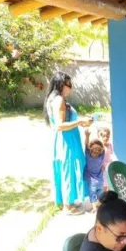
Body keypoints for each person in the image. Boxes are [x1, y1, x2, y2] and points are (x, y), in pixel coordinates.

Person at [44, 71, 92, 215]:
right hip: (67, 141)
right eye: (68, 85)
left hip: (62, 139)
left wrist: (79, 122)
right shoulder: (59, 100)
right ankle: (68, 205)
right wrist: (80, 121)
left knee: (66, 168)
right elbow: (60, 125)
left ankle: (68, 201)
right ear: (61, 85)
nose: (70, 88)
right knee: (69, 169)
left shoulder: (52, 99)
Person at [83, 129, 105, 211]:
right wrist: (87, 136)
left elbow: (102, 146)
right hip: (95, 179)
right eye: (94, 149)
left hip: (97, 179)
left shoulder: (99, 155)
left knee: (97, 193)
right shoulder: (91, 155)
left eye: (98, 150)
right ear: (90, 149)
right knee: (95, 193)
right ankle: (95, 207)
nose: (96, 151)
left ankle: (97, 206)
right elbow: (86, 145)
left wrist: (88, 136)